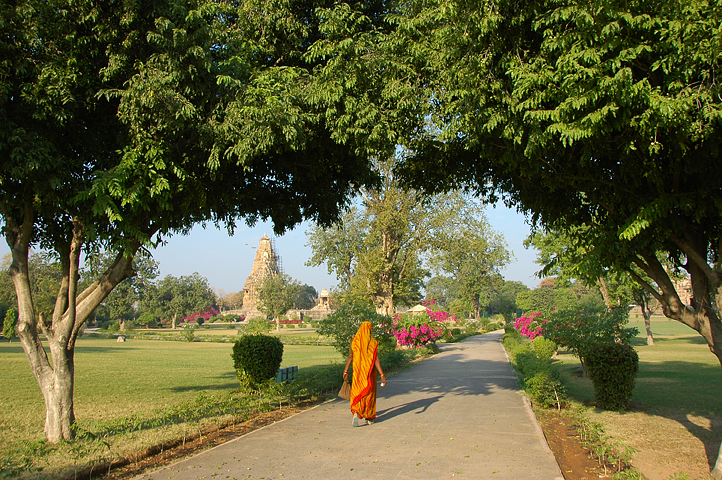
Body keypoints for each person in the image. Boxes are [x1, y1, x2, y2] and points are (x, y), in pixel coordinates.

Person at [343, 321, 386, 427]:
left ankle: (356, 412)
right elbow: (376, 359)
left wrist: (345, 370)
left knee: (358, 392)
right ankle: (369, 416)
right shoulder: (372, 342)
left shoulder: (355, 342)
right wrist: (382, 375)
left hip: (357, 374)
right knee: (369, 394)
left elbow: (350, 357)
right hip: (369, 374)